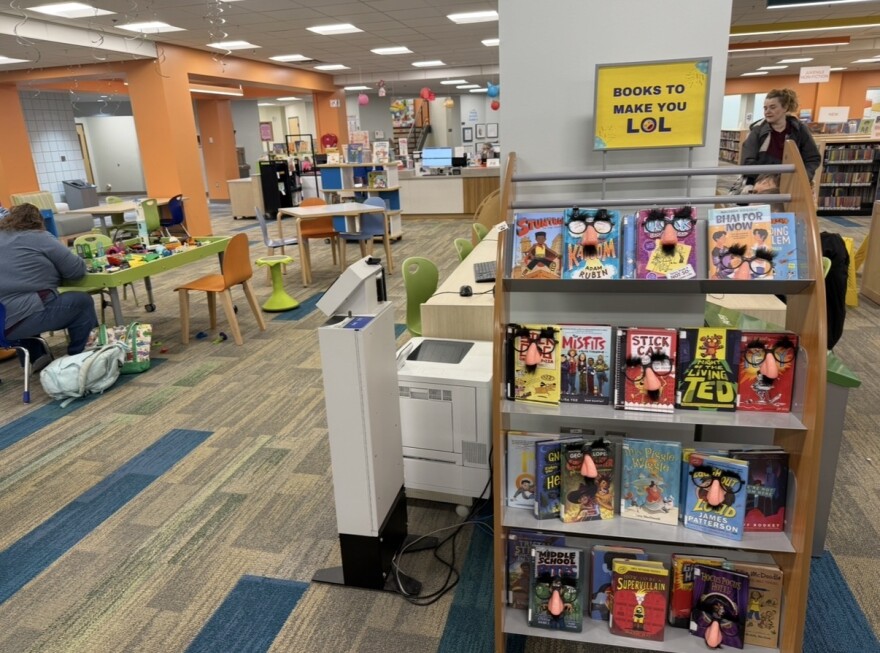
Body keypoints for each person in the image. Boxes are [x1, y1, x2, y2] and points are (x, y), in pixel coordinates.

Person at [0, 203, 98, 370]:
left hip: (4, 324)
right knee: (81, 302)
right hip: (22, 318)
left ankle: (35, 359)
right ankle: (80, 357)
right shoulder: (39, 236)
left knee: (23, 306)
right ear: (38, 222)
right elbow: (76, 270)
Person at [740, 88, 820, 186]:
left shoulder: (799, 130)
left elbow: (812, 158)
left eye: (772, 107)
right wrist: (768, 180)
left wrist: (804, 177)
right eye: (765, 108)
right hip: (762, 184)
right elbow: (747, 161)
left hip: (793, 184)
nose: (767, 112)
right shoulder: (758, 131)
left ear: (785, 108)